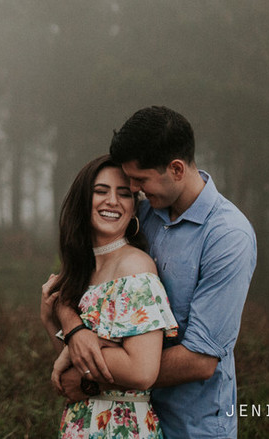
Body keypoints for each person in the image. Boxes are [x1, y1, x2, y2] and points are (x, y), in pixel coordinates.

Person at [55, 106, 257, 439]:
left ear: (176, 169)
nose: (131, 188)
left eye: (140, 179)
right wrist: (75, 330)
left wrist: (91, 373)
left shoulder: (228, 236)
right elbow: (77, 282)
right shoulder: (143, 213)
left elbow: (201, 359)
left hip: (193, 426)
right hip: (130, 417)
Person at [40, 154, 178, 439]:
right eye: (101, 191)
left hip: (122, 427)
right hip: (81, 423)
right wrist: (51, 324)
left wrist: (76, 342)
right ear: (83, 200)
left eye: (124, 194)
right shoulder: (82, 271)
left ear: (133, 208)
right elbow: (71, 373)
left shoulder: (135, 267)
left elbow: (142, 371)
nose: (112, 201)